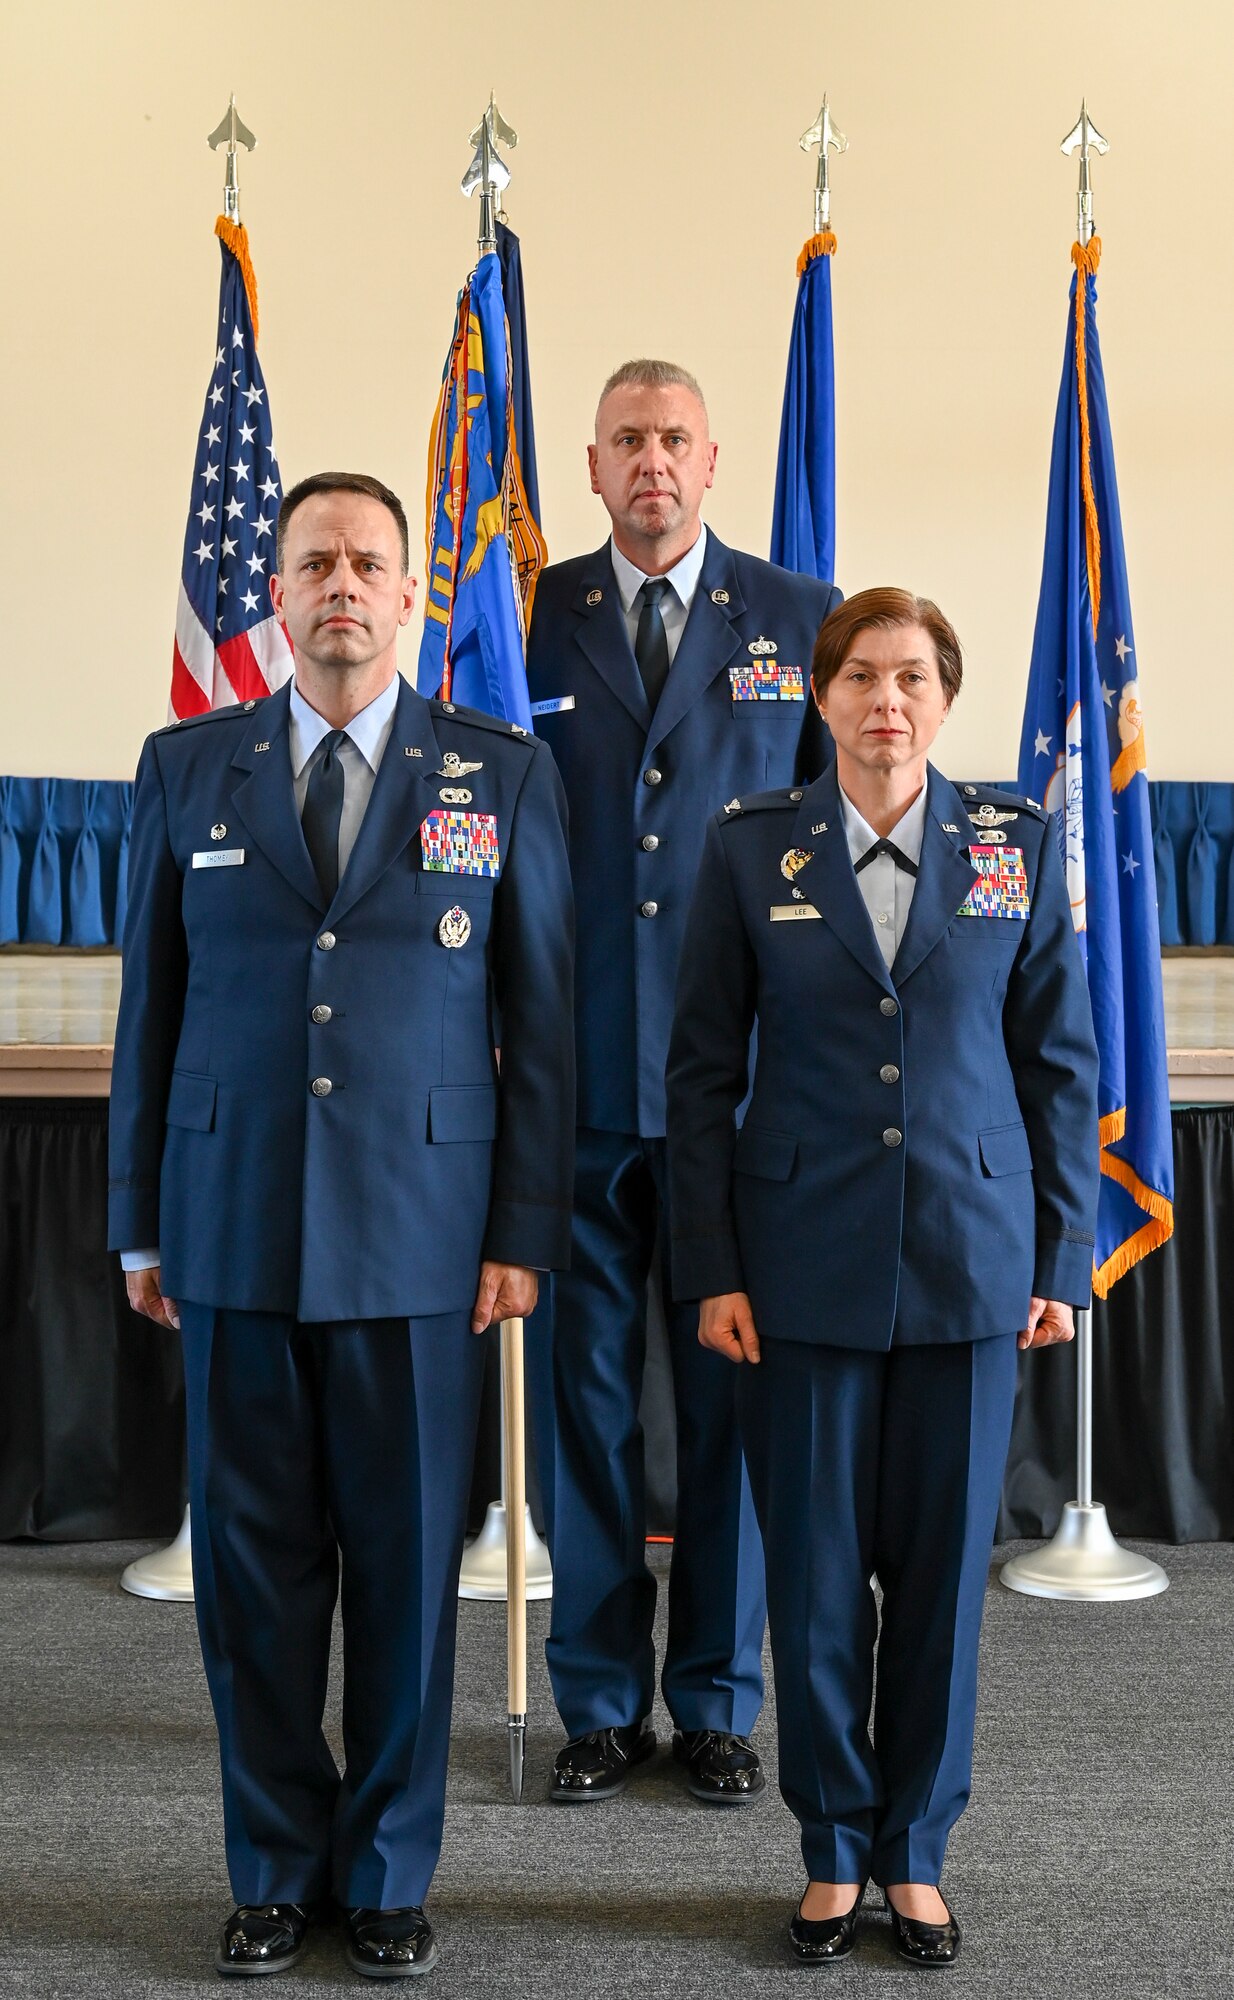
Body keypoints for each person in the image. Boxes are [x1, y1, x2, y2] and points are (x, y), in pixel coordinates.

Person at [108, 471, 574, 1980]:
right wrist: (135, 1225)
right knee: (252, 1579)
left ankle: (382, 1871)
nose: (343, 589)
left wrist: (521, 1228)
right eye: (316, 563)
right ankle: (270, 1866)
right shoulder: (190, 769)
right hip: (231, 1225)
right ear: (281, 594)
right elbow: (150, 1020)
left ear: (410, 589)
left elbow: (543, 1027)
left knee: (401, 1572)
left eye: (370, 563)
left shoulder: (494, 773)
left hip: (423, 1241)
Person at [666, 587, 1099, 1965]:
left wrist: (1062, 1256)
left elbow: (1058, 1065)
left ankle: (914, 1848)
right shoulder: (749, 852)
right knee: (811, 1576)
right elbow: (699, 1079)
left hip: (972, 1264)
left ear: (944, 698)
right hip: (799, 1271)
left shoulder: (1009, 845)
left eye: (911, 677)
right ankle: (830, 1847)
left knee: (935, 1584)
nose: (884, 701)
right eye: (858, 676)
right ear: (819, 694)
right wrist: (713, 1267)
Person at [524, 358, 842, 1807]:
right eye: (626, 442)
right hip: (576, 1081)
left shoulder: (798, 619)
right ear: (589, 467)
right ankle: (598, 1700)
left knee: (727, 1404)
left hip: (741, 1093)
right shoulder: (525, 616)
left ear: (714, 463)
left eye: (676, 441)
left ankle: (716, 1696)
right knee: (583, 1405)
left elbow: (833, 850)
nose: (651, 462)